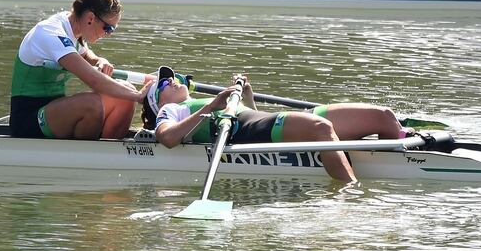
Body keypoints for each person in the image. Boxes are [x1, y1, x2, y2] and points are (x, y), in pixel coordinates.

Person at [141, 66, 414, 183]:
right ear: (157, 103)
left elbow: (256, 117)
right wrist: (213, 106)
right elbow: (167, 138)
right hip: (252, 131)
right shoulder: (170, 110)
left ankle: (409, 157)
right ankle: (351, 195)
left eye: (175, 77)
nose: (173, 80)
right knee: (321, 129)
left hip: (267, 121)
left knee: (383, 115)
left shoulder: (199, 103)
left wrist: (247, 96)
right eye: (164, 84)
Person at [9, 0, 152, 139]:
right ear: (90, 18)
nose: (108, 34)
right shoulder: (51, 33)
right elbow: (94, 81)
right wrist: (138, 96)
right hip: (28, 119)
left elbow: (86, 55)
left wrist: (100, 61)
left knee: (124, 93)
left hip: (53, 110)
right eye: (108, 28)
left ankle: (109, 149)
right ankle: (87, 153)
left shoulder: (72, 26)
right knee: (92, 105)